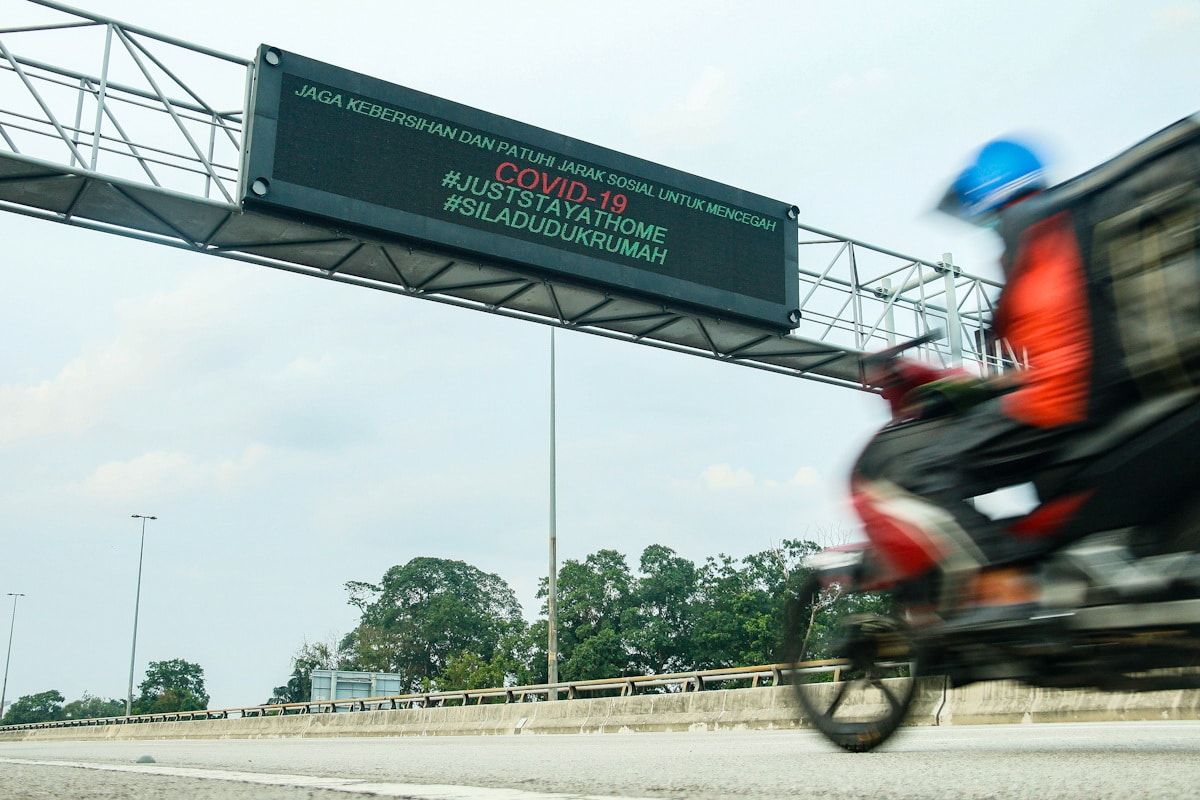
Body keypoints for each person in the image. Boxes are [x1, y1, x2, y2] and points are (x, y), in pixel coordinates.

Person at [851, 138, 1098, 620]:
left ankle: (1002, 579)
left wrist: (947, 385)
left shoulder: (1027, 234)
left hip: (1054, 404)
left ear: (996, 195)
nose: (987, 225)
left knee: (919, 472)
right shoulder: (1066, 230)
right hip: (1075, 396)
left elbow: (1036, 362)